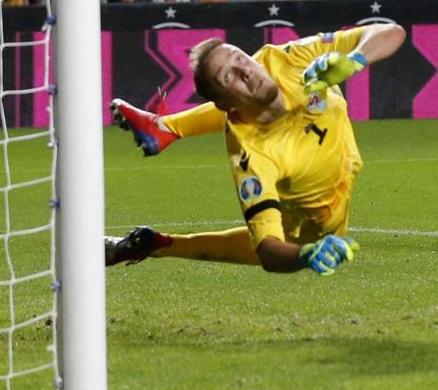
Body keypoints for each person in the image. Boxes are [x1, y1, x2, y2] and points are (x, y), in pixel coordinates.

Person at [104, 22, 407, 272]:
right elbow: (269, 252)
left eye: (241, 59)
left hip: (323, 123)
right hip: (320, 220)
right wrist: (306, 256)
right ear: (222, 105)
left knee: (262, 95)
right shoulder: (253, 159)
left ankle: (166, 128)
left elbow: (392, 32)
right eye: (229, 76)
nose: (247, 70)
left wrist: (354, 59)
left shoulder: (283, 59)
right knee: (284, 240)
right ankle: (161, 243)